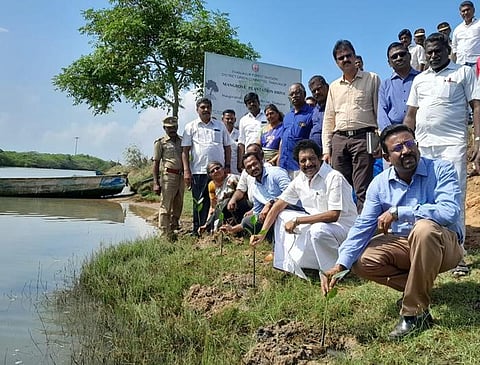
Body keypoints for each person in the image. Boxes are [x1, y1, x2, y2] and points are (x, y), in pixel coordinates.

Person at [321, 124, 464, 340]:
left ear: (417, 145)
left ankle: (414, 314)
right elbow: (362, 227)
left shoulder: (441, 169)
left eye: (409, 144)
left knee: (423, 228)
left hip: (444, 244)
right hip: (404, 244)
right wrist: (340, 266)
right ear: (386, 156)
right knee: (361, 260)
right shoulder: (379, 184)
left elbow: (449, 212)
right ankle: (418, 290)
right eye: (398, 148)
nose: (406, 150)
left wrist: (399, 212)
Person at [404, 32, 477, 276]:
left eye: (438, 51)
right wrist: (403, 142)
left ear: (448, 49)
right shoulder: (420, 79)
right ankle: (431, 249)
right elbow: (411, 114)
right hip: (424, 146)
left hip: (453, 144)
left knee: (454, 197)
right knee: (426, 196)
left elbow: (476, 105)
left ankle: (458, 257)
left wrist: (477, 139)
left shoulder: (463, 73)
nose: (433, 55)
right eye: (429, 52)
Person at [250, 139, 357, 279]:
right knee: (283, 215)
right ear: (298, 163)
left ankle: (335, 272)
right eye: (303, 160)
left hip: (344, 229)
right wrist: (262, 233)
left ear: (320, 158)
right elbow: (278, 205)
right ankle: (292, 265)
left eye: (312, 158)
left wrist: (298, 221)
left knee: (317, 230)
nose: (308, 164)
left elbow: (333, 215)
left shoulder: (334, 177)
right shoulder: (301, 179)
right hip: (322, 227)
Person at [322, 39, 380, 213]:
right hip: (339, 139)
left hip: (364, 137)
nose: (345, 60)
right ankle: (344, 227)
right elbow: (329, 119)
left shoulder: (372, 78)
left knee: (363, 187)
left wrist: (378, 142)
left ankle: (364, 229)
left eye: (348, 56)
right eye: (341, 58)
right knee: (340, 188)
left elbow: (379, 113)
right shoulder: (333, 86)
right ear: (336, 62)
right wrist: (326, 149)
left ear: (355, 56)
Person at [182, 97, 232, 236]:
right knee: (199, 202)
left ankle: (215, 229)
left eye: (208, 107)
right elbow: (185, 151)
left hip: (218, 172)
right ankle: (197, 230)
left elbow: (227, 148)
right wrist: (187, 171)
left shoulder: (219, 125)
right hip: (198, 171)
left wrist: (227, 166)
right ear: (197, 109)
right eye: (202, 107)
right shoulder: (190, 126)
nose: (206, 110)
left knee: (219, 201)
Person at [225, 150, 292, 244]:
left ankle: (276, 245)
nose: (253, 168)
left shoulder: (275, 173)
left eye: (255, 164)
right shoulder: (255, 188)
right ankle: (270, 242)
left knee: (273, 212)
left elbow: (291, 192)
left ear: (261, 162)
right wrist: (233, 229)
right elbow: (256, 214)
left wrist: (271, 203)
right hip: (272, 216)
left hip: (290, 209)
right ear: (246, 172)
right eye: (249, 167)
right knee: (248, 221)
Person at [153, 116, 184, 238]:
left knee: (179, 203)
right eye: (169, 128)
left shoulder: (182, 141)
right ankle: (163, 233)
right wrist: (156, 183)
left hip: (181, 176)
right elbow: (155, 163)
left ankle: (174, 229)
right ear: (164, 128)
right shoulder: (160, 143)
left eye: (174, 127)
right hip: (168, 176)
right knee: (166, 205)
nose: (172, 130)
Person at [378, 42, 420, 132]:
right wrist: (390, 134)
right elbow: (382, 113)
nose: (399, 58)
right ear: (389, 63)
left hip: (421, 131)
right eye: (394, 57)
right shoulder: (385, 85)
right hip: (395, 133)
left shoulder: (422, 79)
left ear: (409, 56)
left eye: (402, 54)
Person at [198, 161, 249, 234]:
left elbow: (245, 194)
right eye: (212, 171)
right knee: (221, 205)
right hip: (224, 211)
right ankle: (213, 230)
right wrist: (207, 222)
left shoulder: (233, 179)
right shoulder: (211, 185)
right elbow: (213, 206)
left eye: (217, 168)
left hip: (241, 207)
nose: (216, 171)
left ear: (223, 169)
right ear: (210, 175)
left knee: (226, 201)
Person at [278, 83, 314, 178]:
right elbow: (282, 141)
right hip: (283, 165)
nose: (294, 96)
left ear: (304, 94)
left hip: (299, 167)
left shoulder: (312, 113)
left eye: (297, 93)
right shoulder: (287, 116)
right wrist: (279, 160)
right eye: (291, 94)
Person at [237, 92, 267, 171]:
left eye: (253, 101)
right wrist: (240, 162)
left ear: (258, 102)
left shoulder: (267, 116)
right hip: (250, 158)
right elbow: (241, 142)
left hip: (266, 156)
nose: (252, 104)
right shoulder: (243, 120)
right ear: (246, 105)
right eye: (249, 103)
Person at [452, 1, 480, 66]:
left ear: (473, 10)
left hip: (476, 63)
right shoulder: (457, 29)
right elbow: (454, 47)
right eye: (463, 11)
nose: (466, 13)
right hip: (460, 64)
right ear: (460, 13)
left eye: (468, 10)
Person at [308, 75, 329, 148]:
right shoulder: (314, 110)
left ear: (326, 86)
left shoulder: (335, 105)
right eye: (313, 91)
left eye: (319, 88)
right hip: (316, 152)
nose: (317, 92)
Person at [222, 109, 240, 175]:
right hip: (221, 170)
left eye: (232, 119)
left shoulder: (240, 134)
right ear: (222, 119)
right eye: (227, 118)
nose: (230, 121)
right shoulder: (219, 134)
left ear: (235, 120)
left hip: (236, 170)